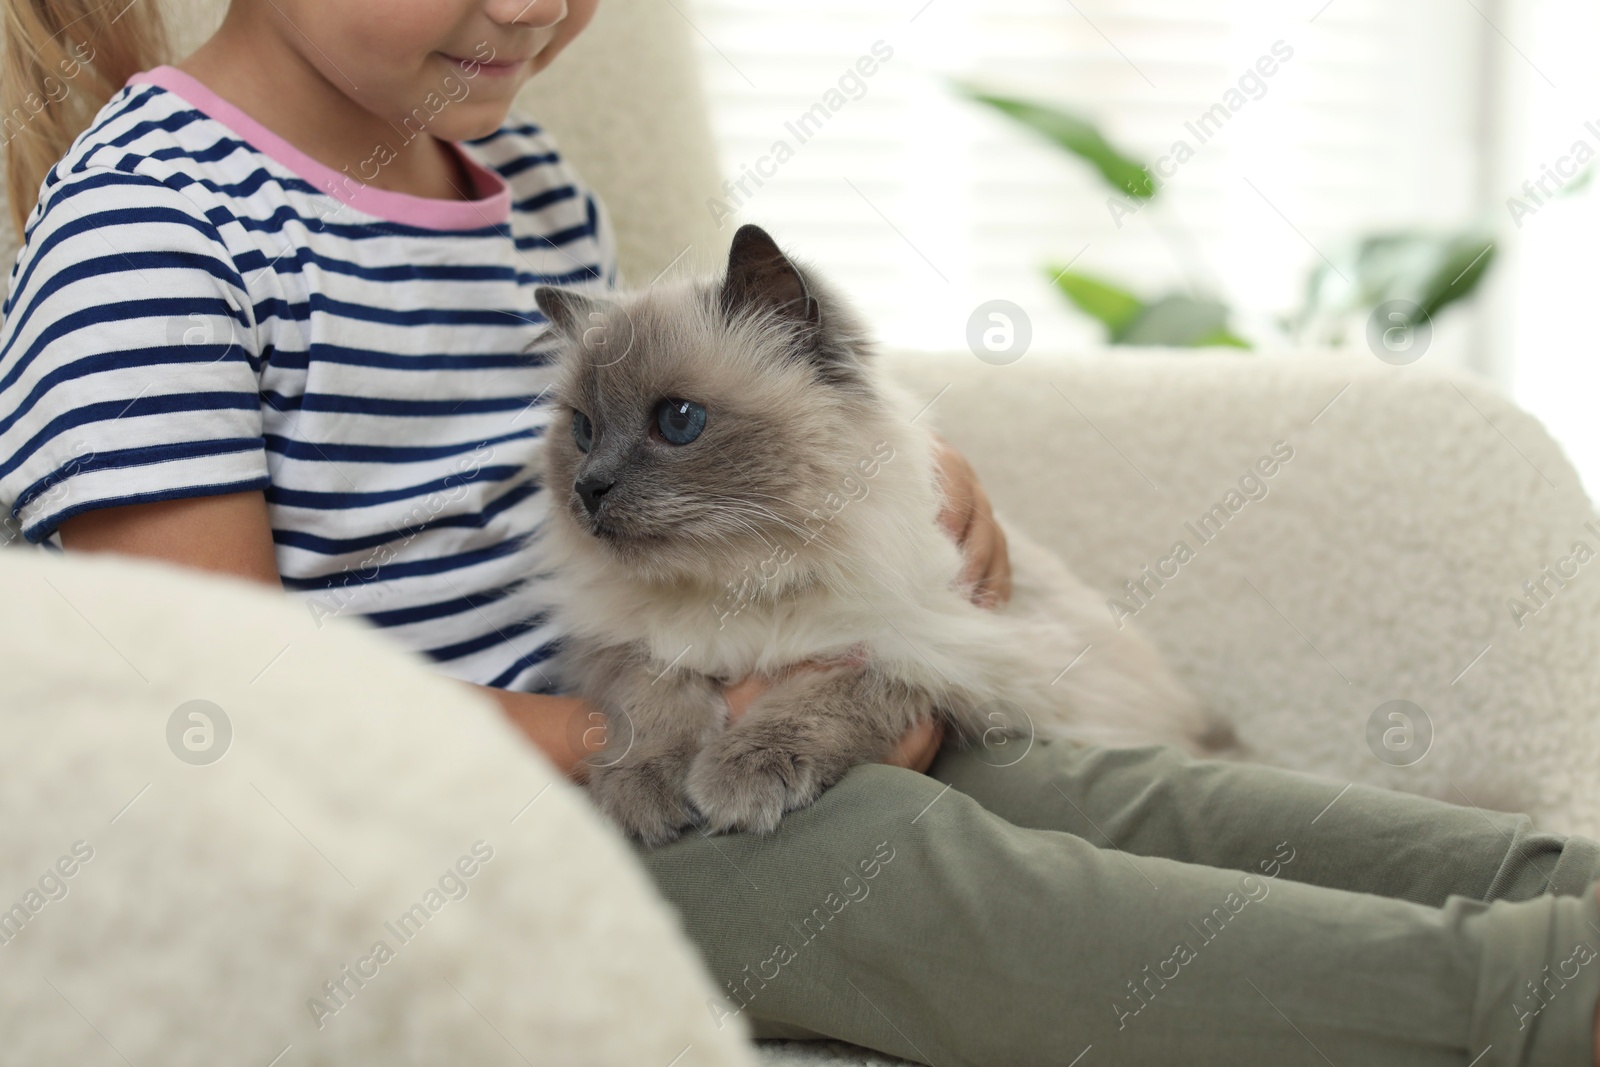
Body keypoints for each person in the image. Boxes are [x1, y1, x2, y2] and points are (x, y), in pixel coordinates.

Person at [1, 2, 1597, 1064]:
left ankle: (1557, 892)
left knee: (1101, 790)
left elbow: (675, 471)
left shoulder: (526, 182)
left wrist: (895, 494)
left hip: (677, 733)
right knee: (920, 875)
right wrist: (630, 735)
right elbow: (206, 700)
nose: (534, 7)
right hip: (452, 839)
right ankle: (1528, 1003)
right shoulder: (151, 227)